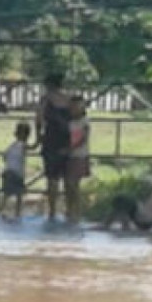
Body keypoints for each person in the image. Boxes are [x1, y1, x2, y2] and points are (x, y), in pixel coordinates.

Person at [103, 160, 152, 235]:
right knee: (123, 201)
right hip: (146, 217)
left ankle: (122, 227)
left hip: (145, 220)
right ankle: (108, 225)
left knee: (121, 200)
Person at [35, 72, 71, 222]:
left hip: (51, 139)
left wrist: (38, 138)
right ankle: (69, 209)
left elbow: (38, 119)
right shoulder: (69, 99)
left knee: (52, 178)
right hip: (67, 139)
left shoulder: (45, 100)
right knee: (68, 178)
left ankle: (52, 211)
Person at [66, 95, 91, 224]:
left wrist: (72, 147)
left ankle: (77, 210)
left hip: (79, 154)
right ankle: (69, 209)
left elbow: (83, 138)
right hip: (70, 155)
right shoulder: (69, 121)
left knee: (74, 183)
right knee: (68, 184)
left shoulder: (84, 121)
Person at [0, 122, 32, 221]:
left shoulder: (12, 145)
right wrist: (40, 139)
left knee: (6, 193)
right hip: (17, 173)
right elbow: (33, 147)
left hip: (8, 171)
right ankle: (18, 212)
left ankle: (3, 210)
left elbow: (4, 156)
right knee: (19, 194)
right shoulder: (23, 145)